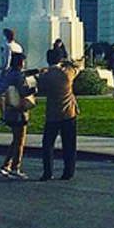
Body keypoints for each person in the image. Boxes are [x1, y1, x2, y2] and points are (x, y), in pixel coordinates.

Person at [37, 47, 80, 181]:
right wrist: (66, 62)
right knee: (69, 144)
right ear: (60, 59)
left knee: (48, 144)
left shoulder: (46, 77)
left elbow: (41, 89)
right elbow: (77, 66)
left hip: (52, 113)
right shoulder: (67, 73)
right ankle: (68, 172)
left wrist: (41, 74)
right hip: (68, 112)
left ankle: (48, 172)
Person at [0, 52, 35, 179]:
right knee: (20, 140)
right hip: (19, 111)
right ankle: (15, 167)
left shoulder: (9, 74)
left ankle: (6, 165)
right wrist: (34, 89)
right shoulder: (19, 77)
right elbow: (24, 92)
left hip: (10, 109)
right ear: (20, 63)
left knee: (15, 139)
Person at [0, 28, 24, 112]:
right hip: (18, 71)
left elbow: (7, 60)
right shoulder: (18, 46)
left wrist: (4, 70)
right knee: (12, 94)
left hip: (10, 72)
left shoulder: (7, 46)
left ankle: (3, 113)